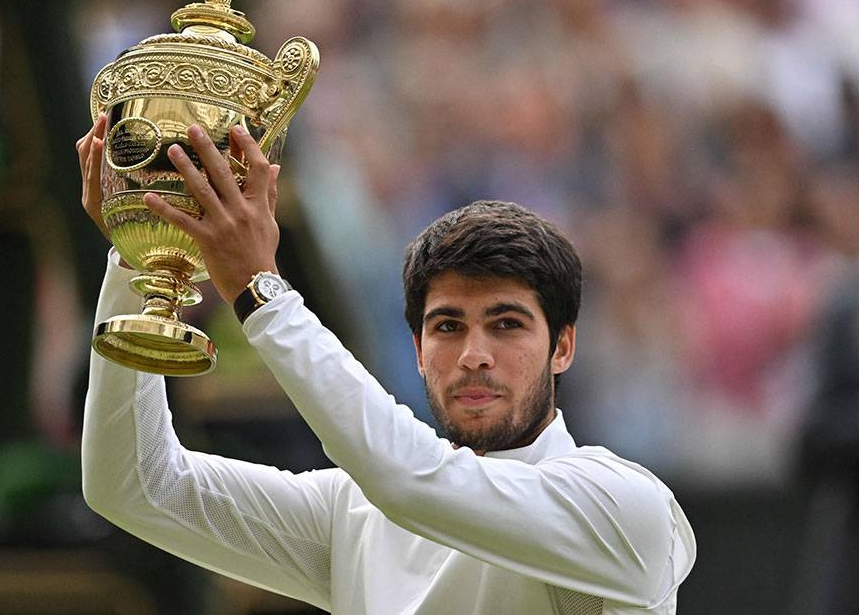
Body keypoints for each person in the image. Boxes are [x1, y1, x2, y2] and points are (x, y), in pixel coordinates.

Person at [77, 117, 696, 614]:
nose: (474, 354)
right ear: (419, 352)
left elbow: (410, 482)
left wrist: (261, 292)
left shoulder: (627, 507)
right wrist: (141, 251)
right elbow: (134, 484)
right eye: (447, 326)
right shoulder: (354, 514)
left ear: (563, 347)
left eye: (507, 324)